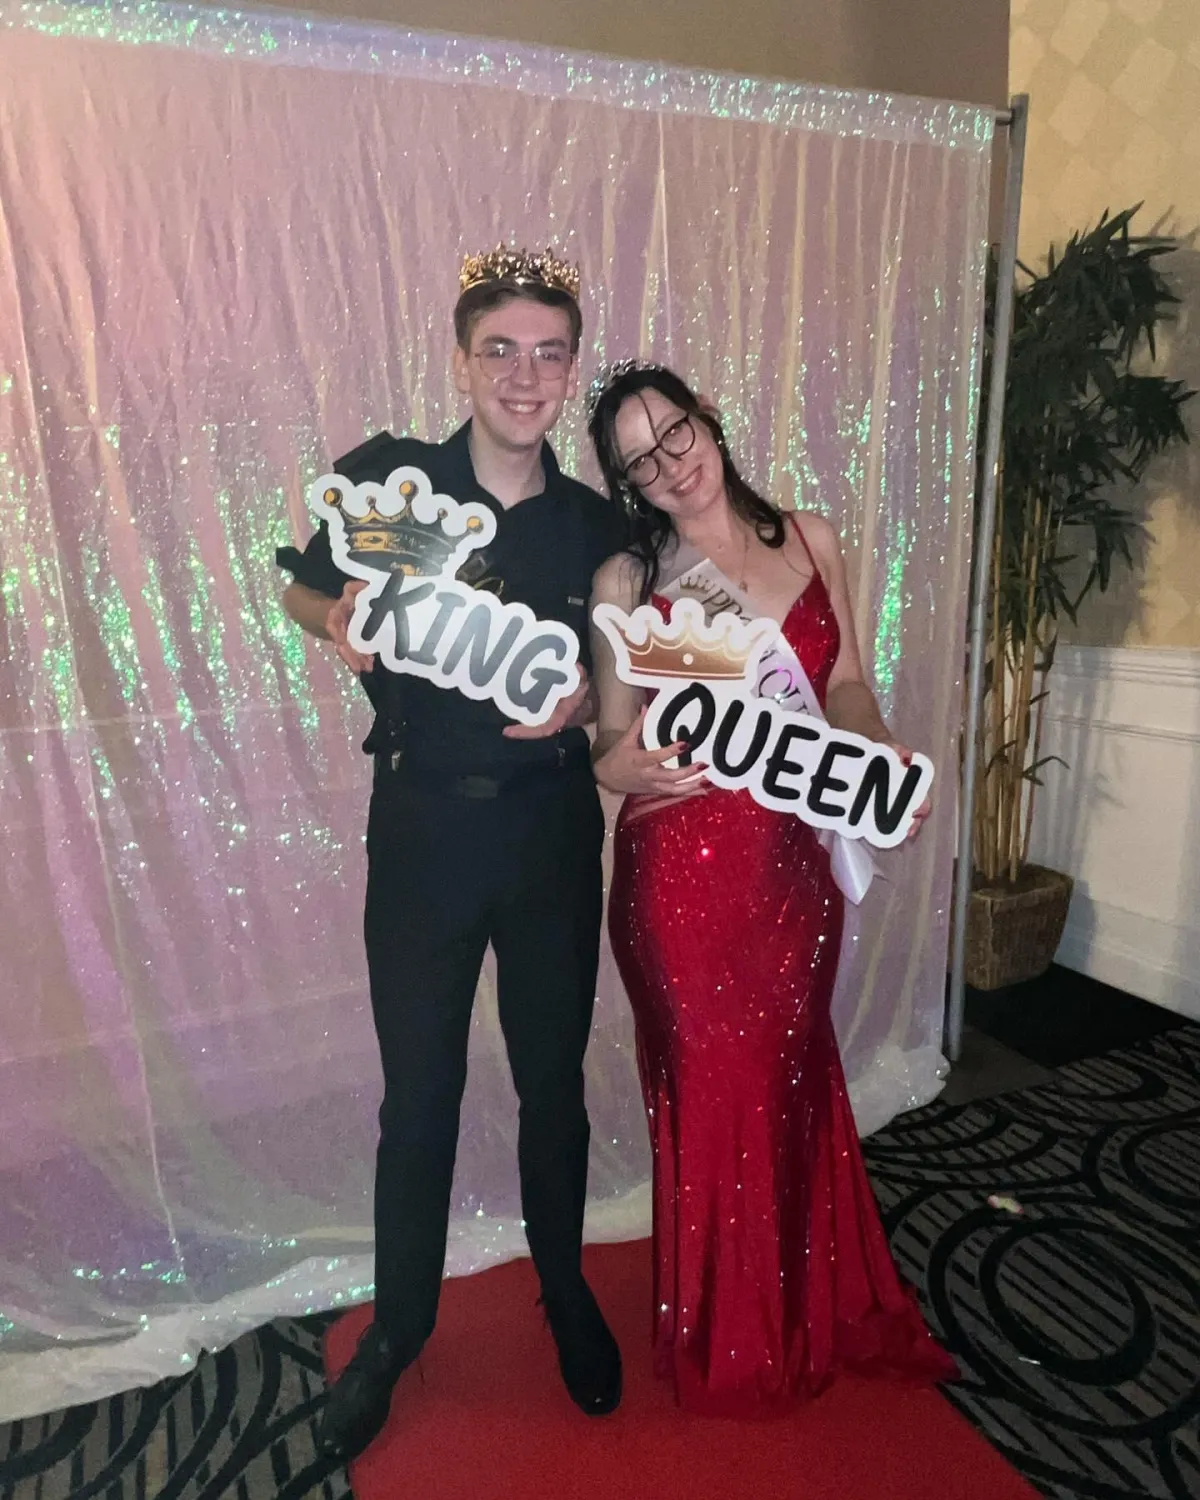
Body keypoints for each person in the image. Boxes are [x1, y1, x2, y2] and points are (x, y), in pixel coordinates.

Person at [277, 248, 627, 1460]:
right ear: (463, 362)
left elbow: (624, 692)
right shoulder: (394, 481)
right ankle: (399, 1330)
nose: (525, 377)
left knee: (553, 1087)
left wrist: (588, 704)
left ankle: (565, 1292)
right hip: (425, 828)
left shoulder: (598, 527)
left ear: (571, 370)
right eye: (501, 351)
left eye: (548, 354)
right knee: (418, 1093)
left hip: (549, 833)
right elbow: (303, 587)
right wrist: (334, 621)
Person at [585, 360, 957, 1418]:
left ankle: (805, 1305)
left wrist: (876, 754)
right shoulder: (628, 581)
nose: (670, 465)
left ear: (708, 418)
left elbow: (845, 683)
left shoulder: (812, 538)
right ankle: (732, 1336)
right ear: (627, 484)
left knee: (788, 1077)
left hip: (793, 869)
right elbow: (608, 746)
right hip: (682, 880)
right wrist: (625, 765)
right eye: (640, 462)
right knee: (716, 1093)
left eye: (676, 433)